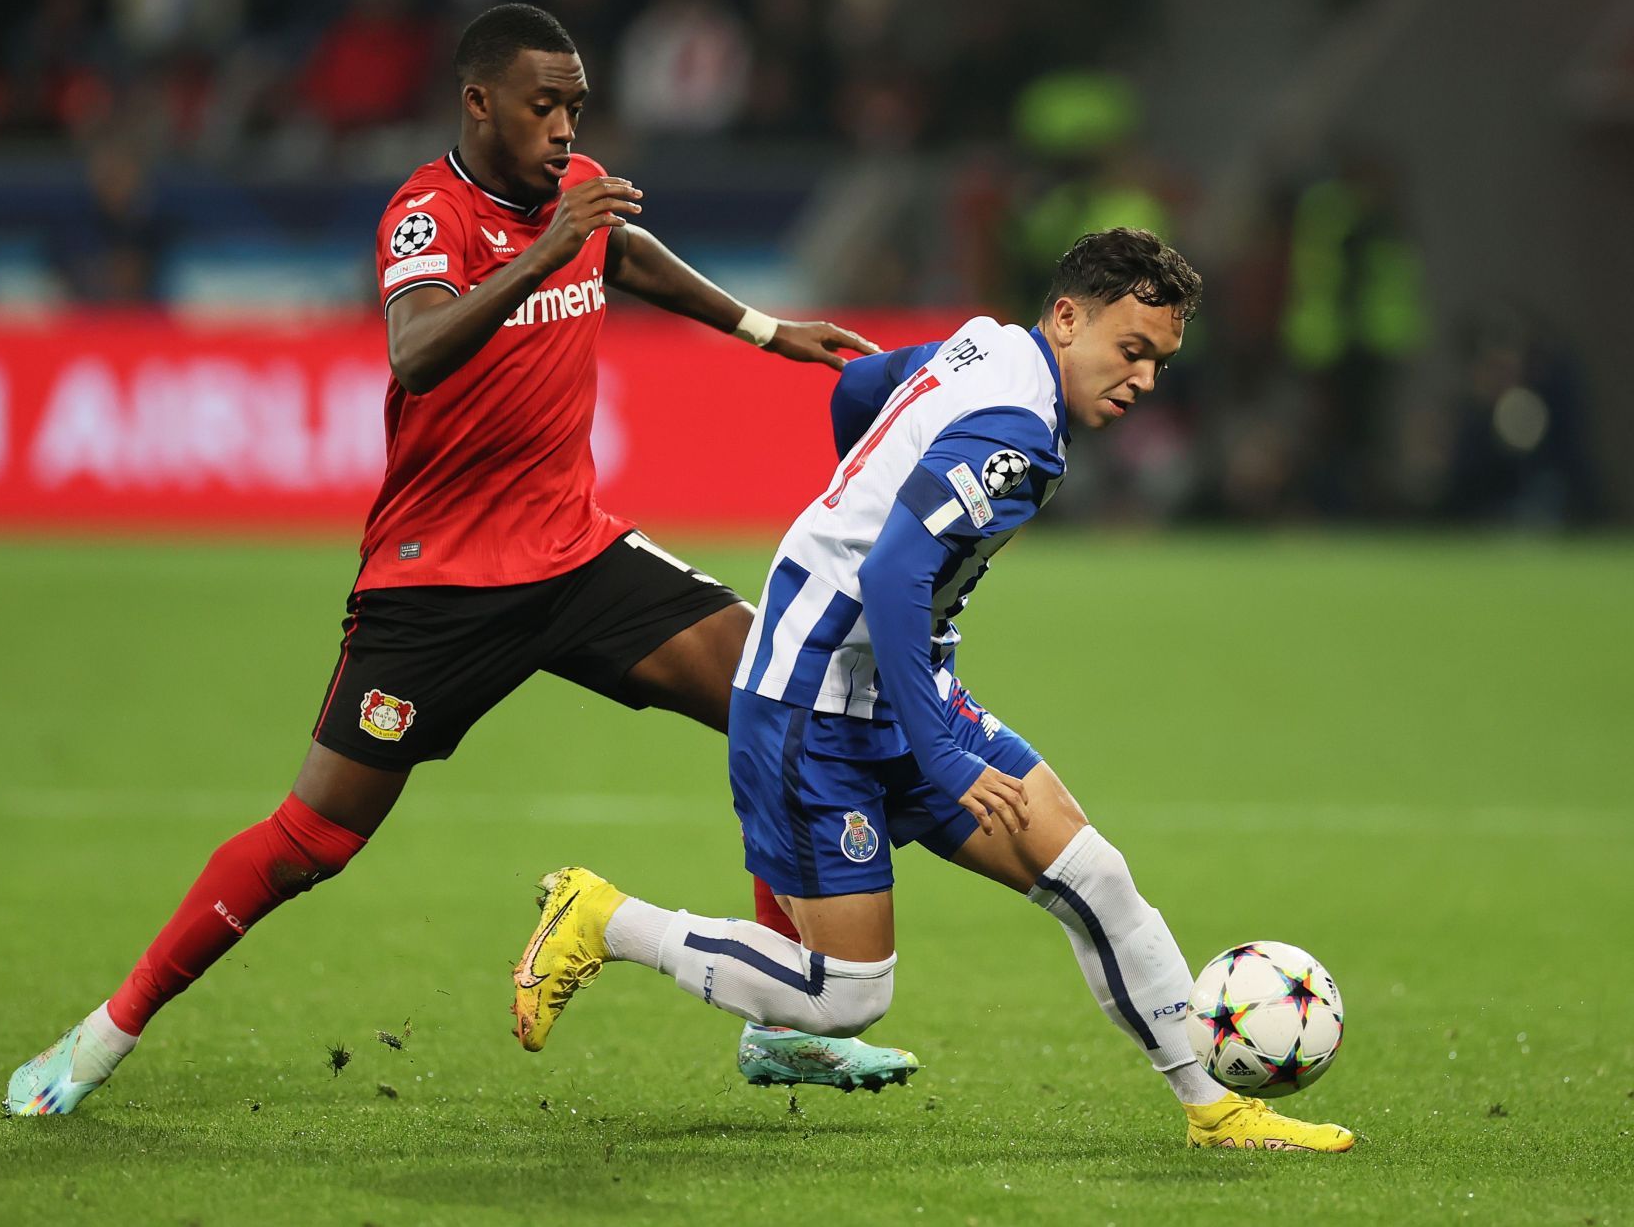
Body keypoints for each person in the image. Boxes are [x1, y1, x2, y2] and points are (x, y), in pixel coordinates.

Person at [5, 2, 912, 1117]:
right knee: (312, 839)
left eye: (577, 105)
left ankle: (785, 1028)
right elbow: (419, 350)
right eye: (545, 105)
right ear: (478, 101)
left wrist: (767, 331)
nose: (566, 127)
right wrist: (545, 243)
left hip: (576, 554)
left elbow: (619, 248)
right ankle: (104, 1032)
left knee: (781, 698)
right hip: (436, 586)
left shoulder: (570, 198)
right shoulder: (427, 214)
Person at [512, 228, 1357, 1152]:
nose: (1145, 379)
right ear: (1068, 319)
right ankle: (604, 917)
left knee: (1096, 878)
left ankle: (1215, 1109)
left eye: (1159, 360)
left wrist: (859, 489)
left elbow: (861, 391)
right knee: (846, 995)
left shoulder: (990, 341)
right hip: (810, 699)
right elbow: (889, 577)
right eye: (1133, 350)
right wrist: (946, 751)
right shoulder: (1019, 433)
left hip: (897, 684)